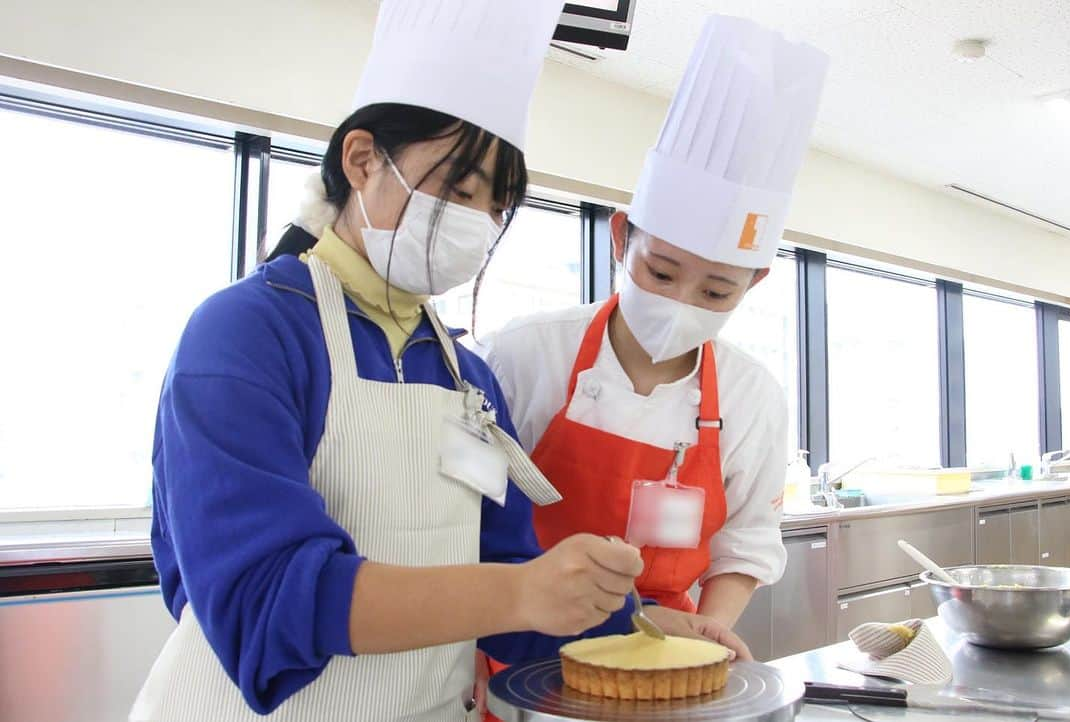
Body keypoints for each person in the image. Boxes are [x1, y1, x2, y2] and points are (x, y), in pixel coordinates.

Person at [131, 3, 745, 721]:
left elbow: (509, 580)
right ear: (361, 160)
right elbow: (265, 599)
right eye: (457, 188)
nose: (477, 221)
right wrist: (519, 591)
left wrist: (638, 620)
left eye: (496, 204)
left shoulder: (466, 378)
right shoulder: (247, 333)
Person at [481, 14, 829, 649]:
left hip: (667, 650)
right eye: (663, 271)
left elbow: (746, 543)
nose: (680, 302)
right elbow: (467, 518)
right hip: (522, 642)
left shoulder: (752, 397)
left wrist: (701, 637)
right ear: (620, 238)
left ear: (752, 286)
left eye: (716, 290)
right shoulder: (526, 352)